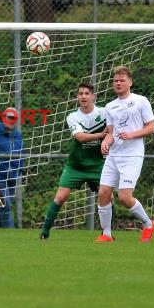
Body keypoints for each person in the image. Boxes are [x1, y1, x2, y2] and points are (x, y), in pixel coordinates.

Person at [96, 66, 154, 243]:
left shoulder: (141, 101)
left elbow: (151, 127)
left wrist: (132, 135)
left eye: (122, 80)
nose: (118, 83)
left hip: (132, 156)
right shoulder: (110, 106)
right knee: (103, 193)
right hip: (114, 156)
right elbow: (110, 133)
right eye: (115, 80)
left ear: (129, 82)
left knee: (124, 197)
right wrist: (105, 142)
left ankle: (148, 224)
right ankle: (106, 234)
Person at [40, 83, 107, 239]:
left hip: (97, 164)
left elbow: (112, 131)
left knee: (107, 197)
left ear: (93, 96)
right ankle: (44, 233)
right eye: (80, 93)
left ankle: (106, 233)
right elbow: (80, 137)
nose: (83, 96)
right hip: (76, 165)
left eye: (86, 93)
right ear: (77, 97)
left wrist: (107, 138)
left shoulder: (104, 113)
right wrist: (100, 135)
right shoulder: (73, 116)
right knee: (61, 197)